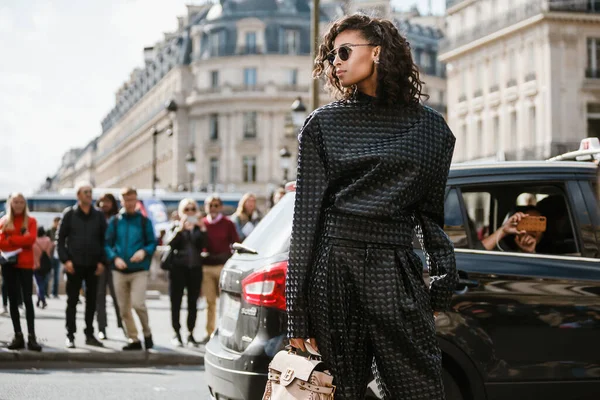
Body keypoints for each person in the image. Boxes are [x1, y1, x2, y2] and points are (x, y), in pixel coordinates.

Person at [286, 14, 457, 399]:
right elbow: (304, 223)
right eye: (332, 56)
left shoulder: (431, 129)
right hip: (334, 270)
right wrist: (296, 315)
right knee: (339, 392)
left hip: (395, 270)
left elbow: (431, 216)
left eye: (345, 51)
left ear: (377, 51)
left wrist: (441, 286)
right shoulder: (321, 125)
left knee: (421, 390)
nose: (336, 62)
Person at [105, 187, 157, 351]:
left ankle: (147, 332)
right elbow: (107, 244)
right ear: (121, 201)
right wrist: (115, 258)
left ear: (137, 200)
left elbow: (152, 242)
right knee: (123, 308)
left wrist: (144, 251)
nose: (130, 203)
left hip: (139, 270)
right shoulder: (115, 221)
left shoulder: (144, 221)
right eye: (126, 200)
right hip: (119, 270)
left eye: (133, 200)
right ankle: (133, 339)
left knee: (138, 304)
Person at [56, 182, 106, 349]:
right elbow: (60, 239)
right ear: (78, 195)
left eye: (90, 192)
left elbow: (105, 240)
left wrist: (102, 262)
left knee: (92, 301)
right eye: (85, 192)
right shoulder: (69, 214)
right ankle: (70, 334)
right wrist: (65, 260)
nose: (89, 195)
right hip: (74, 264)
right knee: (72, 301)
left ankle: (89, 334)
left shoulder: (98, 216)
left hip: (93, 264)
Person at [0, 193, 42, 351]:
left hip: (25, 264)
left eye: (21, 202)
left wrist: (11, 239)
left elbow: (30, 240)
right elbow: (1, 242)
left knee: (27, 300)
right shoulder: (4, 221)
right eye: (15, 202)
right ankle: (18, 335)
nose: (18, 205)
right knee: (12, 300)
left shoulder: (31, 221)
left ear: (25, 204)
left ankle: (32, 336)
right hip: (9, 264)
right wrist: (19, 239)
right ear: (10, 204)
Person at [167, 199, 207, 346]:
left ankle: (190, 333)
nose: (189, 212)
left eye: (192, 209)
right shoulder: (175, 226)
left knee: (193, 302)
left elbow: (203, 245)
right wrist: (181, 229)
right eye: (186, 209)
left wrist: (202, 229)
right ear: (180, 212)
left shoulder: (198, 229)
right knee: (175, 301)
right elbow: (170, 244)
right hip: (177, 269)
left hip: (194, 268)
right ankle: (176, 332)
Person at [201, 195, 239, 344]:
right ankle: (209, 332)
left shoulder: (227, 223)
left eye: (216, 205)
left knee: (226, 302)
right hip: (207, 267)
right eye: (210, 205)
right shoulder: (202, 223)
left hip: (223, 266)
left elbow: (235, 242)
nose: (213, 208)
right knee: (210, 302)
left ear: (220, 207)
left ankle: (225, 331)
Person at [95, 193, 124, 340]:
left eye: (108, 201)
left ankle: (123, 325)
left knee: (118, 296)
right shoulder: (95, 218)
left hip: (115, 262)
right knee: (99, 297)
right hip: (99, 263)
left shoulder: (119, 220)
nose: (105, 204)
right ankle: (102, 327)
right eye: (102, 201)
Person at [33, 226, 54, 309]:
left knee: (39, 284)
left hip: (36, 265)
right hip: (46, 265)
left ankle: (42, 300)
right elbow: (52, 247)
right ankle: (40, 299)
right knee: (43, 283)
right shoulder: (48, 240)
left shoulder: (34, 241)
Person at [47, 216, 61, 299]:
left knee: (56, 276)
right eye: (57, 222)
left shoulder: (61, 231)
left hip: (57, 256)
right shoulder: (49, 231)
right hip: (50, 255)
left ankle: (54, 293)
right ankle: (46, 292)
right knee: (48, 275)